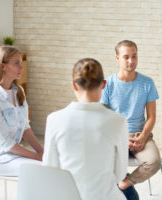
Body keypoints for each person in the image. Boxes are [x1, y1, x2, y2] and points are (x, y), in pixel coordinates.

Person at [42, 58, 128, 200]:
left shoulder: (54, 119)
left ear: (74, 85)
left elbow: (50, 169)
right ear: (104, 84)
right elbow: (120, 174)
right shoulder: (118, 121)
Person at [100, 40, 161, 199]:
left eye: (134, 56)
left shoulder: (147, 83)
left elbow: (152, 117)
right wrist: (121, 139)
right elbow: (104, 118)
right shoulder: (107, 84)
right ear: (117, 58)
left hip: (140, 135)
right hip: (115, 136)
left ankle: (125, 183)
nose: (131, 61)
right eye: (126, 57)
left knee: (154, 162)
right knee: (102, 163)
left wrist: (142, 137)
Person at [0, 45, 43, 176]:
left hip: (14, 154)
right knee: (43, 170)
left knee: (52, 165)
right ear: (3, 66)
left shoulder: (19, 92)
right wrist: (36, 157)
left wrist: (42, 151)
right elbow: (5, 143)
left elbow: (25, 128)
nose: (21, 67)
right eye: (16, 63)